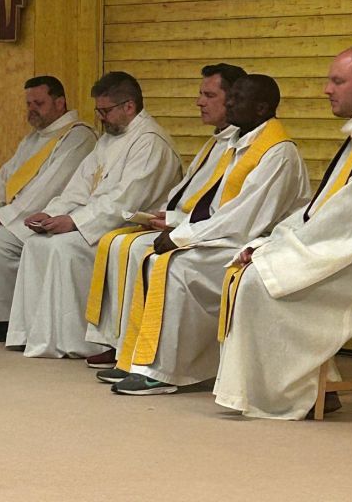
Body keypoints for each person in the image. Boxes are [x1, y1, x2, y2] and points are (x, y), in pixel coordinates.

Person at [214, 46, 352, 420]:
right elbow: (328, 206)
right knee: (256, 269)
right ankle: (315, 384)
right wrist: (273, 240)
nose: (326, 89)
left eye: (337, 81)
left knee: (263, 282)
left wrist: (279, 248)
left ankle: (293, 394)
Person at [112, 73, 311, 394]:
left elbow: (242, 218)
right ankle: (143, 359)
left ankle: (166, 370)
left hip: (259, 246)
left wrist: (182, 236)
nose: (228, 104)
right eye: (229, 98)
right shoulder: (238, 144)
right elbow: (216, 207)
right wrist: (178, 223)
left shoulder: (277, 153)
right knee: (153, 256)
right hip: (231, 237)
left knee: (176, 266)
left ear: (261, 108)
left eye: (237, 99)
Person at [5, 71, 182, 358]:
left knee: (63, 248)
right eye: (98, 110)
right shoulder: (109, 139)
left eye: (105, 111)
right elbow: (80, 186)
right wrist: (50, 214)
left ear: (129, 106)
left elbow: (125, 200)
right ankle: (35, 334)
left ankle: (76, 340)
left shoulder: (150, 142)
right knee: (36, 243)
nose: (100, 117)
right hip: (95, 221)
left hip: (128, 226)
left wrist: (74, 222)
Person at [85, 63, 246, 372]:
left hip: (222, 239)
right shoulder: (217, 142)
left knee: (147, 253)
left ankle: (155, 358)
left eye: (208, 95)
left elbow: (231, 211)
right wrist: (169, 216)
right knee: (118, 244)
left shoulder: (254, 148)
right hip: (192, 225)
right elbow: (192, 195)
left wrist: (178, 224)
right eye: (200, 94)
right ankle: (122, 343)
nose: (199, 102)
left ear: (235, 99)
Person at [0, 76, 97, 341]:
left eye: (39, 103)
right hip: (12, 215)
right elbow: (5, 180)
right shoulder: (32, 139)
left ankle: (4, 319)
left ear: (60, 103)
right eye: (28, 104)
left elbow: (48, 189)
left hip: (41, 217)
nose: (32, 109)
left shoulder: (78, 136)